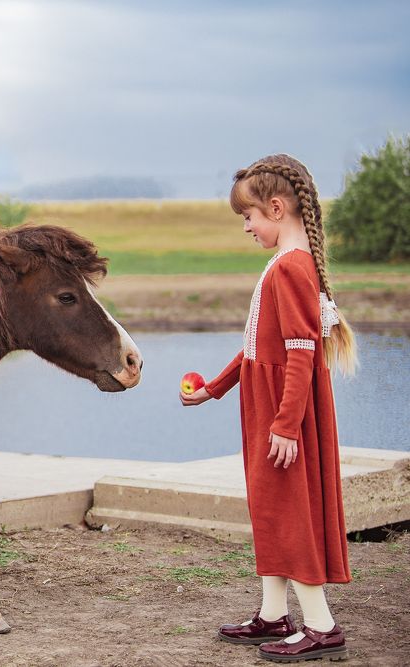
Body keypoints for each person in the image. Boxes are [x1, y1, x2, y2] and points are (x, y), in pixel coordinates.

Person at [180, 154, 358, 663]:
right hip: (271, 410)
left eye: (249, 216)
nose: (246, 227)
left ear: (276, 209)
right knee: (270, 508)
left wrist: (285, 426)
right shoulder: (283, 265)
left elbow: (302, 352)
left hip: (283, 415)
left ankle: (321, 626)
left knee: (288, 513)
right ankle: (273, 614)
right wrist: (214, 388)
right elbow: (261, 350)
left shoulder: (291, 268)